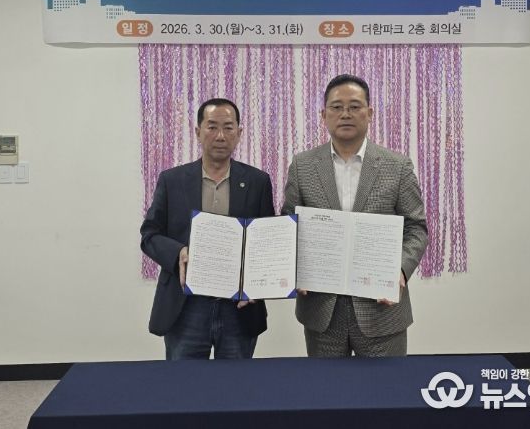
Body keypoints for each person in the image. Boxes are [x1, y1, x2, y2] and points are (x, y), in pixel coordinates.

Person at [282, 74, 428, 357]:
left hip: (381, 312)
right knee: (327, 386)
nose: (345, 114)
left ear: (369, 113)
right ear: (323, 115)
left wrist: (400, 270)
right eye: (337, 107)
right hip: (322, 312)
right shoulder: (303, 166)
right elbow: (289, 225)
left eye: (355, 106)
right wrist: (294, 267)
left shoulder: (397, 166)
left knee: (385, 386)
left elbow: (416, 228)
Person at [141, 98, 274, 360]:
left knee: (236, 383)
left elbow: (267, 240)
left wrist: (259, 284)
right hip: (186, 306)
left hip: (239, 308)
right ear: (198, 132)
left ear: (239, 133)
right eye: (212, 127)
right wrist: (179, 253)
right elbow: (150, 235)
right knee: (184, 383)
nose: (220, 136)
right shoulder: (172, 180)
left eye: (228, 127)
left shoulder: (258, 181)